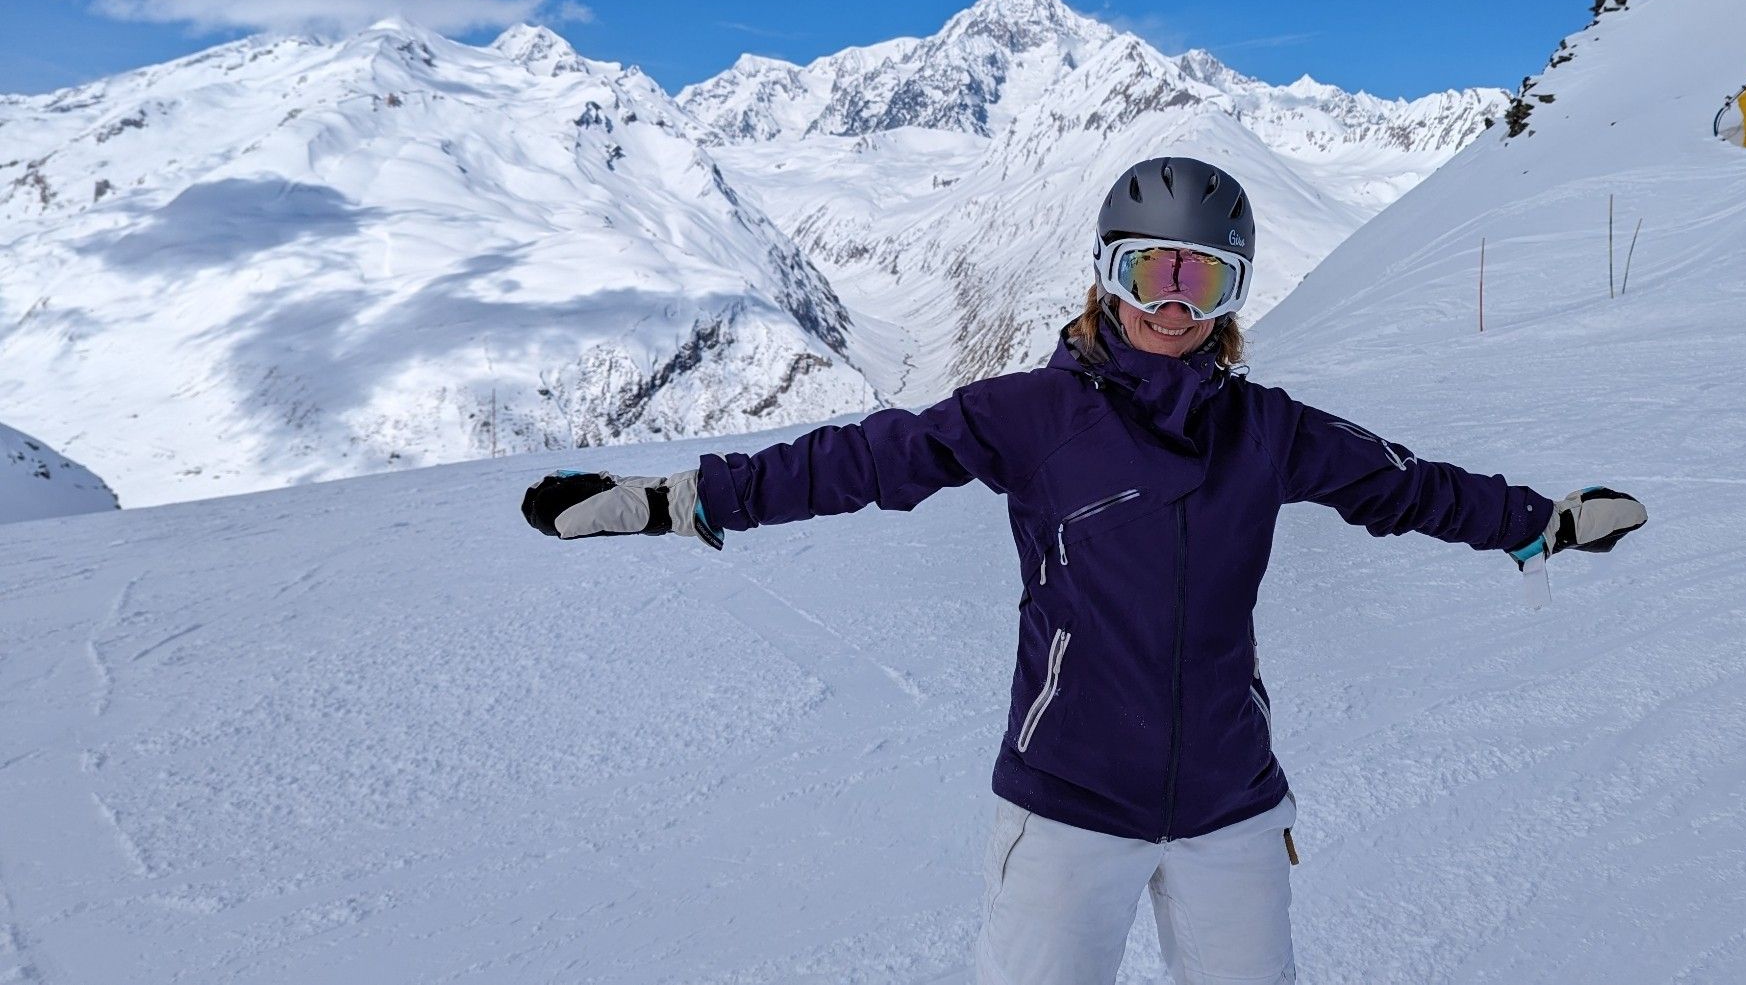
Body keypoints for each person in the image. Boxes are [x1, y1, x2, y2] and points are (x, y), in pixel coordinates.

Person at [521, 156, 1647, 984]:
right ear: (1101, 278)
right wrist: (679, 498)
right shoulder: (1029, 415)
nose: (1168, 302)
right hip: (1063, 809)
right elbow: (859, 459)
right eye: (1145, 270)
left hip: (1229, 809)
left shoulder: (1268, 430)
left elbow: (1407, 484)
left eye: (1197, 279)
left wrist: (1534, 522)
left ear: (1232, 297)